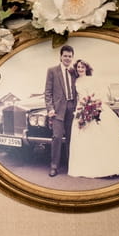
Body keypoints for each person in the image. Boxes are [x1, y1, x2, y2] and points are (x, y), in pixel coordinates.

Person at [67, 59, 119, 178]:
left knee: (99, 136)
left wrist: (92, 107)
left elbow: (98, 93)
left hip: (92, 107)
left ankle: (107, 167)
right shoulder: (76, 81)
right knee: (81, 137)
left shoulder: (92, 79)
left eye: (82, 67)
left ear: (86, 68)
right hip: (80, 109)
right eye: (78, 67)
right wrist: (82, 109)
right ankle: (85, 166)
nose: (80, 69)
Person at [44, 45, 77, 177]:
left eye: (70, 56)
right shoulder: (52, 71)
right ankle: (54, 166)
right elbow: (47, 92)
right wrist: (50, 109)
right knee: (57, 137)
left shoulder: (74, 71)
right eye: (65, 56)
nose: (67, 58)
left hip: (72, 108)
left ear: (72, 57)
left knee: (71, 138)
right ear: (60, 56)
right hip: (58, 110)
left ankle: (71, 165)